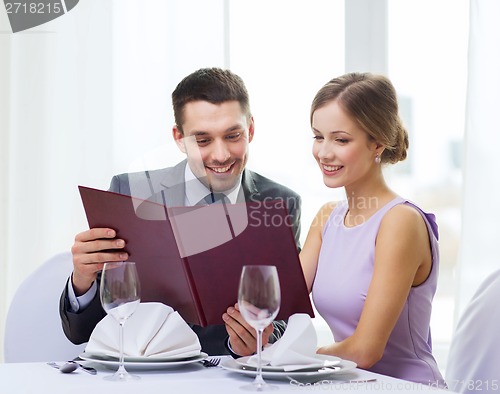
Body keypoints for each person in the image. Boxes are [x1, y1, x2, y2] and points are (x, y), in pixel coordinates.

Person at [59, 67, 301, 357]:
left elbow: (284, 312)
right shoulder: (130, 192)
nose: (221, 155)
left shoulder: (282, 203)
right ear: (179, 138)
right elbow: (81, 333)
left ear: (250, 129)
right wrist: (82, 280)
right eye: (202, 140)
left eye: (233, 136)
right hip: (144, 374)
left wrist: (260, 339)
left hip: (228, 374)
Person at [299, 72, 445, 386]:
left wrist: (297, 359)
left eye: (340, 139)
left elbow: (365, 351)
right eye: (318, 136)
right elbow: (279, 302)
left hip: (406, 388)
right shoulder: (327, 219)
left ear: (377, 143)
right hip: (350, 385)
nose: (324, 152)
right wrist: (252, 334)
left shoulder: (400, 222)